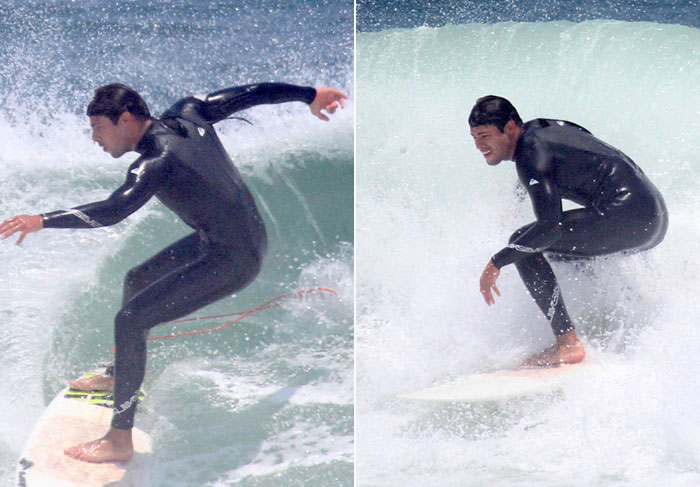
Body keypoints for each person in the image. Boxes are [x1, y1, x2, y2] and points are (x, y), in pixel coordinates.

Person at [0, 81, 346, 463]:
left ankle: (119, 440)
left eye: (99, 127)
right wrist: (310, 95)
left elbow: (113, 210)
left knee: (130, 320)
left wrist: (41, 220)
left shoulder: (157, 160)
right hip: (228, 238)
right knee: (136, 280)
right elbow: (251, 93)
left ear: (126, 119)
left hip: (234, 257)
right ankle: (121, 375)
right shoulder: (188, 112)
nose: (95, 139)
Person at [469, 95, 667, 367]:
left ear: (511, 128)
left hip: (627, 215)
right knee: (560, 254)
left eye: (484, 136)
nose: (479, 145)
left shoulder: (530, 157)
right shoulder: (543, 127)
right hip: (652, 214)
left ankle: (569, 343)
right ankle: (617, 315)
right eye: (474, 138)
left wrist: (497, 262)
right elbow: (583, 142)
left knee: (523, 246)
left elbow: (549, 228)